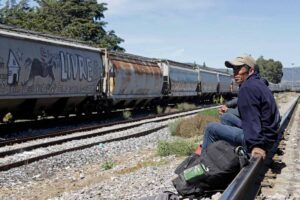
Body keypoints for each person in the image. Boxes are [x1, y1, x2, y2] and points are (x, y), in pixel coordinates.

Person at [201, 54, 281, 159]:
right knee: (226, 117)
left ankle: (203, 165)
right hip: (269, 136)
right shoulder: (258, 83)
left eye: (239, 69)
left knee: (211, 129)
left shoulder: (247, 88)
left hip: (263, 140)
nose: (235, 73)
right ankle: (230, 156)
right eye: (234, 70)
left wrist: (257, 145)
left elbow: (252, 119)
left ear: (251, 70)